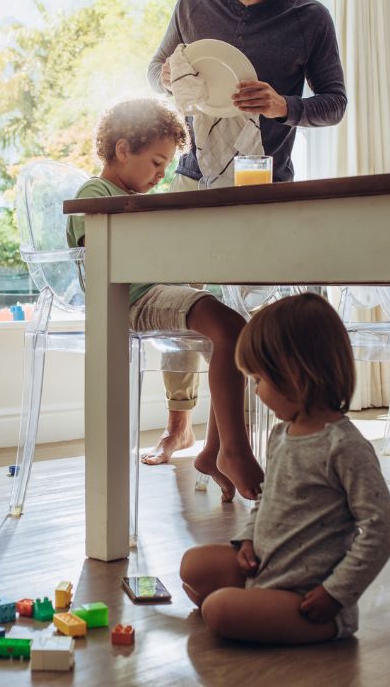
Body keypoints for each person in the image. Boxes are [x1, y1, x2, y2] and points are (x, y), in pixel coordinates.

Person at [143, 0, 348, 467]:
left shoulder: (310, 19)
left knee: (255, 311)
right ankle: (179, 426)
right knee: (182, 300)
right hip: (191, 175)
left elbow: (334, 104)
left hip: (263, 182)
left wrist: (285, 104)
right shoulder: (195, 2)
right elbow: (154, 69)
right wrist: (167, 76)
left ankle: (250, 437)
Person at [67, 97, 263, 501]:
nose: (162, 173)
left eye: (166, 165)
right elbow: (109, 258)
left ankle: (213, 451)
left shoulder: (136, 197)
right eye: (156, 162)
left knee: (235, 339)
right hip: (132, 300)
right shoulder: (96, 191)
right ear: (123, 150)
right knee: (230, 328)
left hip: (160, 291)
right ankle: (233, 450)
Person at [180, 294, 390, 644]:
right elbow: (267, 498)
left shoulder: (345, 447)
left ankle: (252, 608)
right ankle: (251, 601)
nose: (255, 391)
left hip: (308, 599)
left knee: (218, 609)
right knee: (194, 565)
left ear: (295, 374)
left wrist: (336, 594)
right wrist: (248, 539)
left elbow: (381, 528)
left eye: (257, 380)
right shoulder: (281, 434)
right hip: (267, 568)